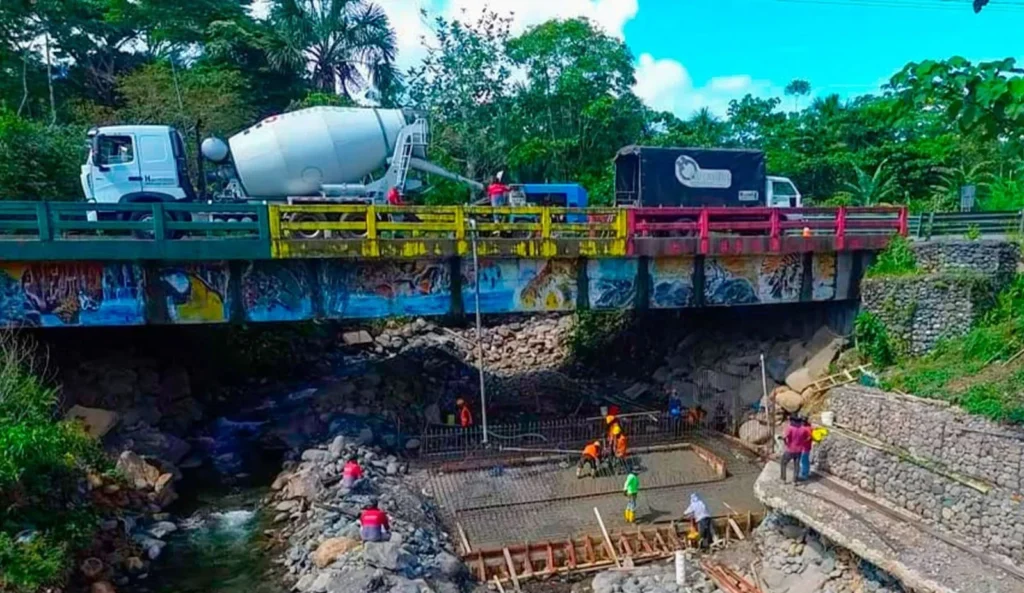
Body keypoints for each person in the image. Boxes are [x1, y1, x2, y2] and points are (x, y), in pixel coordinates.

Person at [781, 415, 804, 483]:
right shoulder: (802, 429)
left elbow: (784, 437)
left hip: (790, 449)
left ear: (792, 421)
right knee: (796, 465)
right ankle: (795, 481)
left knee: (783, 462)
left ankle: (783, 479)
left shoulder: (790, 428)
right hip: (799, 450)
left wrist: (786, 443)